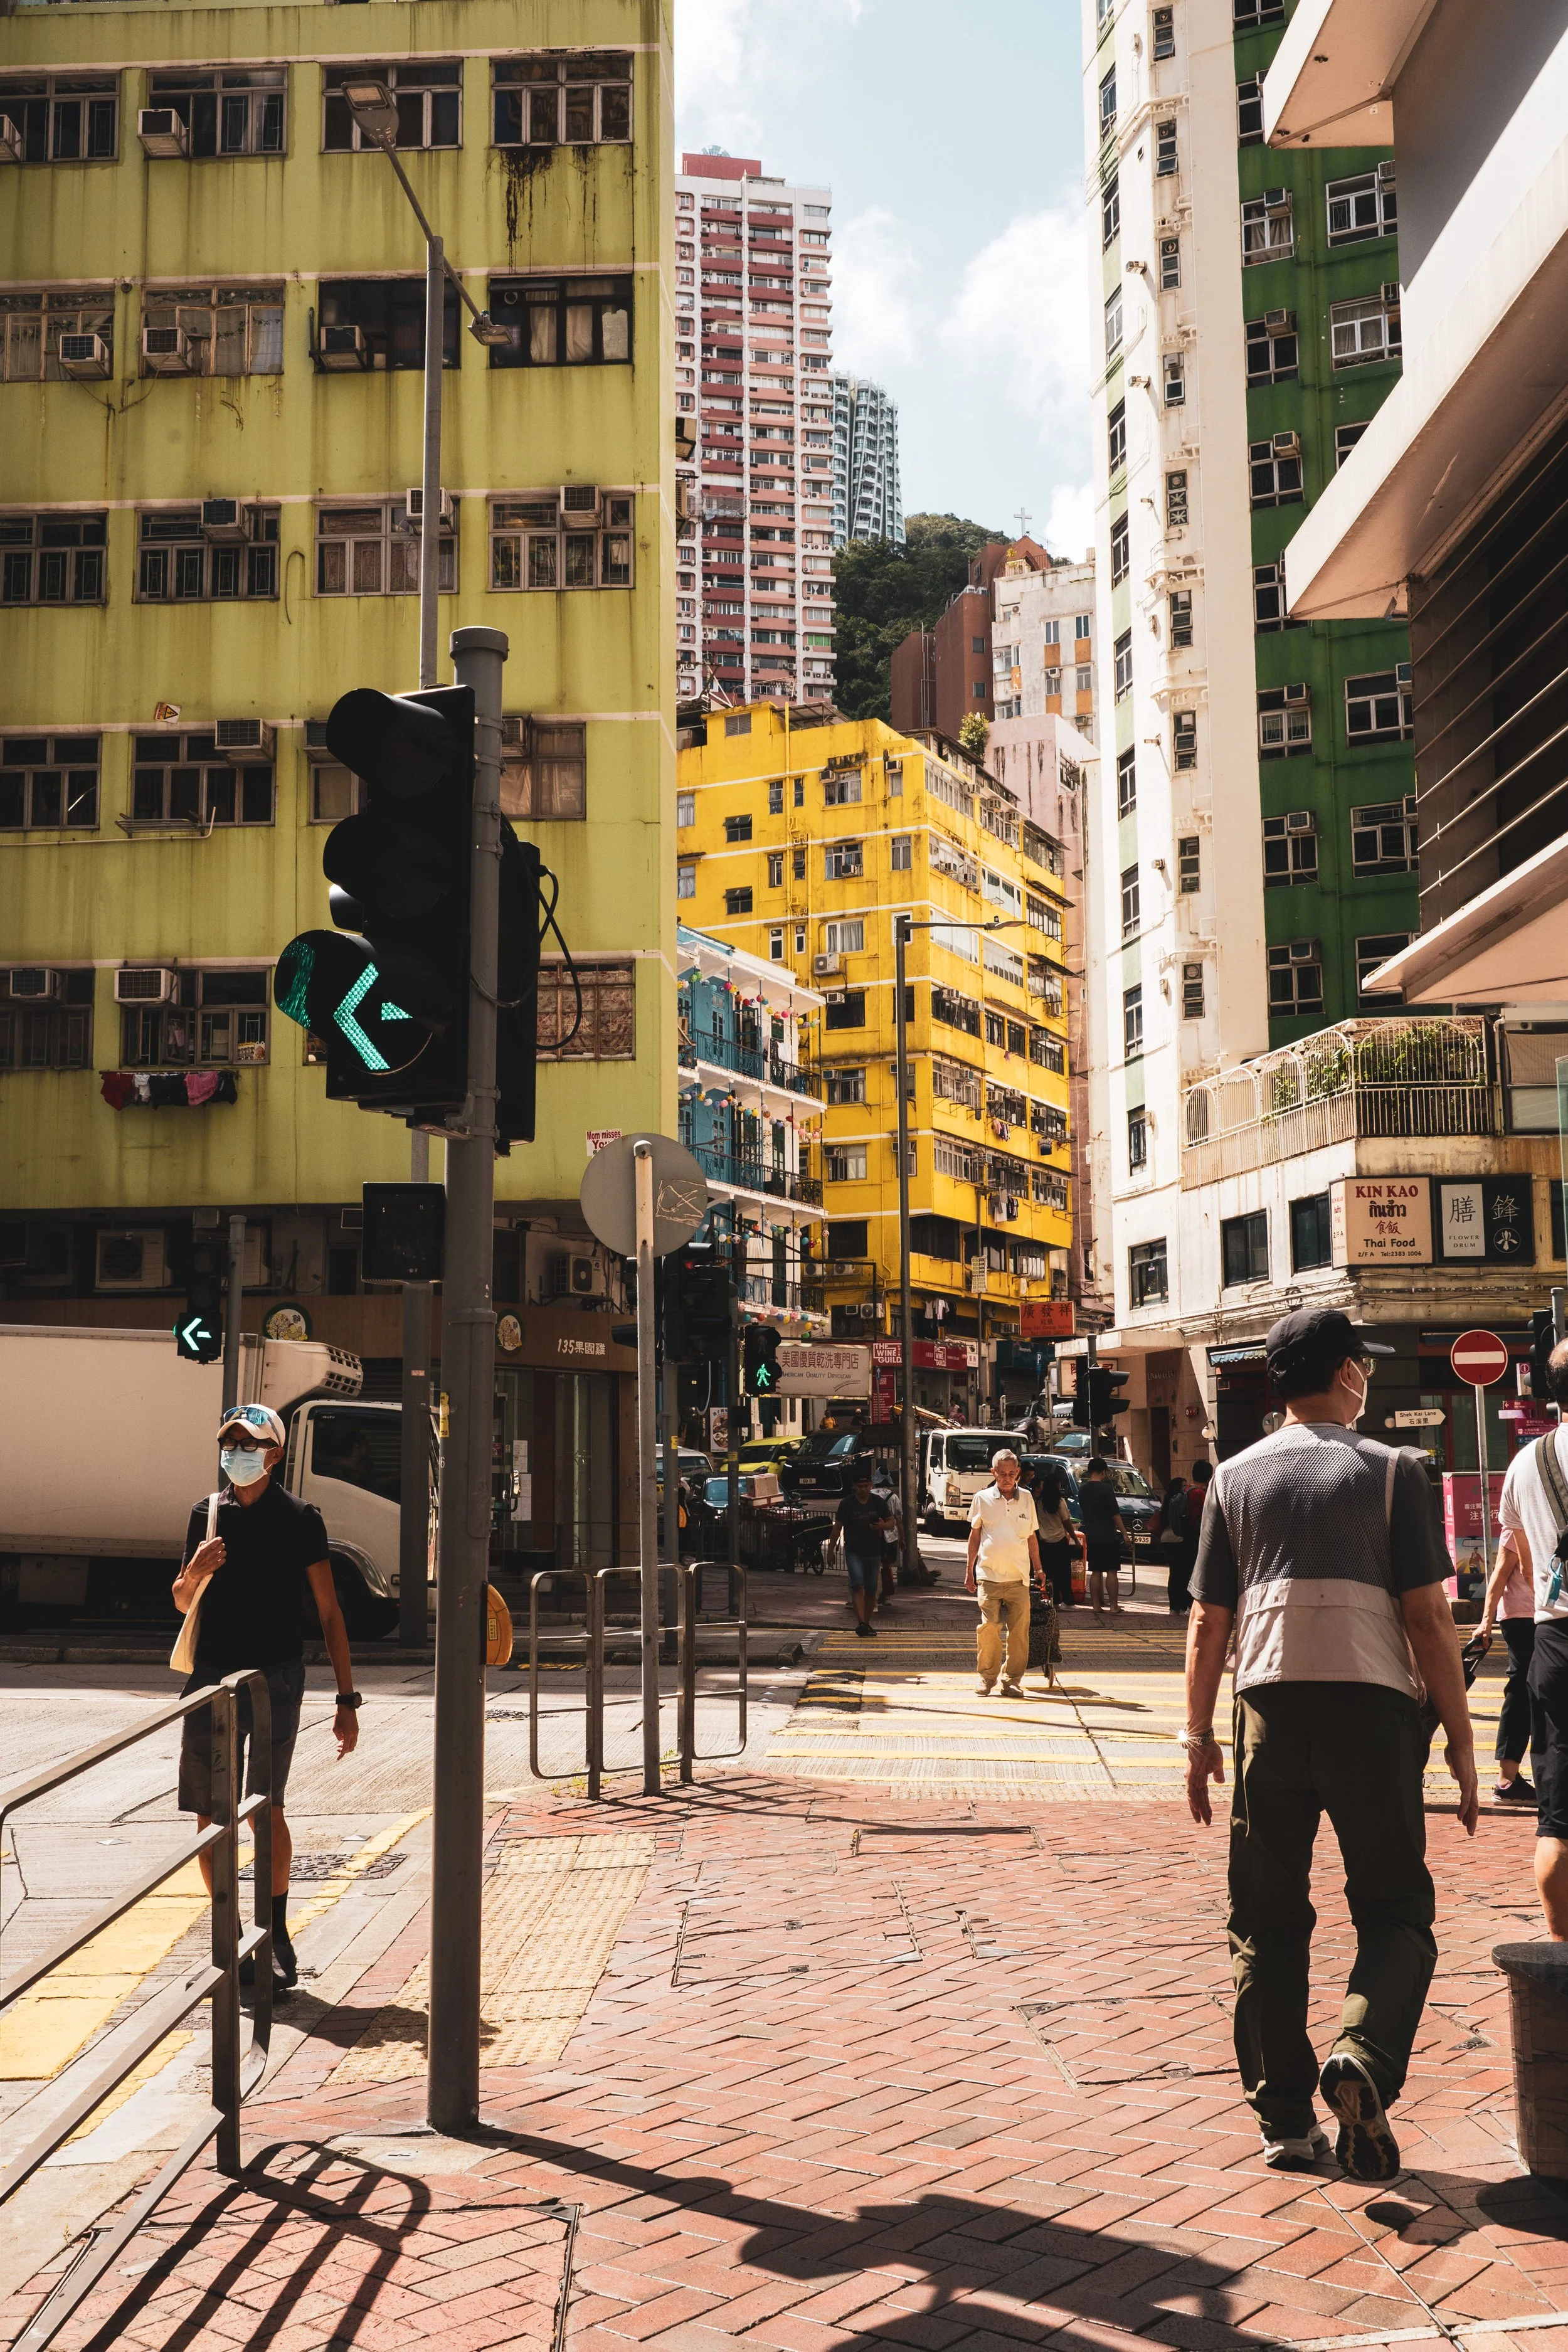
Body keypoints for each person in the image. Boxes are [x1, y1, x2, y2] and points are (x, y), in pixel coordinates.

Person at [1184, 1307, 1478, 2183]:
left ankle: (1282, 2117)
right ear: (1348, 1372)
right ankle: (1361, 2054)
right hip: (1373, 1712)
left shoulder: (1233, 1478)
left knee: (1264, 1919)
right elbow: (1429, 1618)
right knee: (1394, 1909)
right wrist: (1461, 1738)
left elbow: (1208, 1622)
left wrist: (1195, 1735)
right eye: (1362, 1367)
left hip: (1266, 1709)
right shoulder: (1392, 1472)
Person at [172, 1403, 361, 1993]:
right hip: (210, 1678)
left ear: (274, 1454)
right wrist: (197, 1570)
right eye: (229, 1443)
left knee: (266, 1810)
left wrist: (347, 1699)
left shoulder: (301, 1518)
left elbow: (329, 1612)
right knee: (208, 1816)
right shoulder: (207, 1515)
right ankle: (229, 1934)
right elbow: (181, 1601)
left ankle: (275, 1933)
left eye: (249, 1443)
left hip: (276, 1677)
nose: (237, 1453)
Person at [1496, 1339, 1568, 1932]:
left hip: (1557, 1642)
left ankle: (1561, 1954)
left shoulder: (1526, 1463)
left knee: (1559, 1821)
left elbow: (1522, 1556)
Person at [965, 1448, 1042, 1697]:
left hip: (1019, 1577)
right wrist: (969, 1570)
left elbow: (1032, 1536)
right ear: (993, 1473)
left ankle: (1012, 1681)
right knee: (989, 1627)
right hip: (989, 1575)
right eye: (1002, 1474)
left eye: (1012, 1473)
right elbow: (974, 1536)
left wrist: (1039, 1568)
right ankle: (987, 1678)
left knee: (1019, 1632)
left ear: (1018, 1473)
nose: (1008, 1478)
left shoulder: (1027, 1499)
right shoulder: (982, 1498)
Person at [1478, 1529, 1540, 1804]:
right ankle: (1507, 1780)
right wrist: (1485, 1622)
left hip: (1549, 1615)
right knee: (1522, 1691)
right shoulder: (1521, 1521)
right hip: (1523, 1617)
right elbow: (1500, 1573)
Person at [835, 1465, 892, 1638]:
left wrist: (882, 1526)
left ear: (871, 1485)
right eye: (860, 1487)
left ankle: (866, 1624)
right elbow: (837, 1527)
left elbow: (892, 1522)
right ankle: (861, 1622)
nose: (863, 1490)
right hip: (853, 1551)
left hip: (873, 1552)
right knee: (857, 1585)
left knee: (871, 1589)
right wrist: (831, 1550)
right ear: (853, 1487)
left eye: (866, 1486)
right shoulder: (847, 1503)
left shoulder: (878, 1503)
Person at [1078, 1457, 1126, 1616]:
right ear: (1104, 1472)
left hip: (1092, 1534)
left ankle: (1096, 1606)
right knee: (1112, 1571)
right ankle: (1113, 1606)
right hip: (1108, 1535)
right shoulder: (1106, 1489)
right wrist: (1125, 1534)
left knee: (1095, 1571)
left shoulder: (1083, 1489)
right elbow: (1115, 1515)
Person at [1167, 1458, 1212, 1617]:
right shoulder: (1200, 1494)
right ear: (1209, 1477)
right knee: (1192, 1573)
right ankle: (1188, 1606)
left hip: (1180, 1537)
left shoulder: (1184, 1491)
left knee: (1177, 1573)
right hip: (1195, 1538)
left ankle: (1174, 1607)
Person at [1034, 1470, 1079, 1609]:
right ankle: (1068, 1602)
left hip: (1044, 1542)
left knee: (1050, 1573)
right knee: (1064, 1573)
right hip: (1059, 1541)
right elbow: (1066, 1522)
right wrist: (1075, 1539)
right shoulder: (1060, 1502)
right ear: (1057, 1486)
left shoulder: (1038, 1503)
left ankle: (1054, 1600)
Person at [871, 1463, 902, 1604]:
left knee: (874, 1565)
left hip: (872, 1535)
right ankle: (885, 1596)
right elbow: (899, 1520)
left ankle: (873, 1595)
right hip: (890, 1536)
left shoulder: (869, 1495)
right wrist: (903, 1539)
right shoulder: (894, 1497)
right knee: (887, 1566)